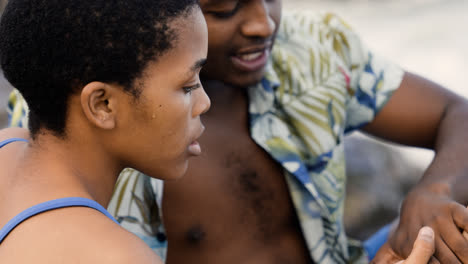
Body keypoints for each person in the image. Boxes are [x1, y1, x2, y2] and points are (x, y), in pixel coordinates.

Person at [6, 0, 467, 263]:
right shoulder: (76, 104)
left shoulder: (313, 51)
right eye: (225, 7)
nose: (262, 23)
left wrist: (433, 193)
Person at [0, 0, 210, 263]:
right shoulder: (119, 257)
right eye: (188, 86)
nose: (205, 103)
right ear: (103, 105)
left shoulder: (6, 146)